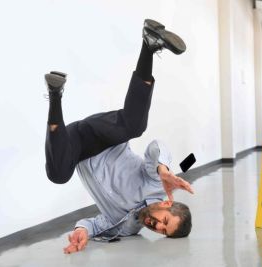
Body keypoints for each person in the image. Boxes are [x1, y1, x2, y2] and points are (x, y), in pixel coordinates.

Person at [44, 19, 194, 254]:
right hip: (103, 136)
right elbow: (155, 147)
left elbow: (94, 223)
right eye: (164, 221)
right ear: (167, 204)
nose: (156, 227)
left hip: (76, 147)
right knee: (134, 127)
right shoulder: (156, 183)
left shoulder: (125, 228)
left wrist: (82, 232)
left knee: (59, 175)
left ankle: (54, 94)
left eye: (161, 232)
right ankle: (149, 44)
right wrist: (163, 169)